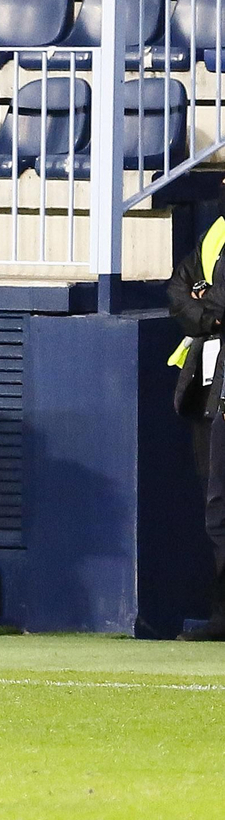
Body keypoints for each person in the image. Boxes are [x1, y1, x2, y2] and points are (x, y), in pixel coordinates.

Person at [168, 182, 225, 641]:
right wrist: (208, 312)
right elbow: (180, 288)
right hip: (210, 386)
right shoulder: (216, 233)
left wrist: (209, 301)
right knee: (217, 503)